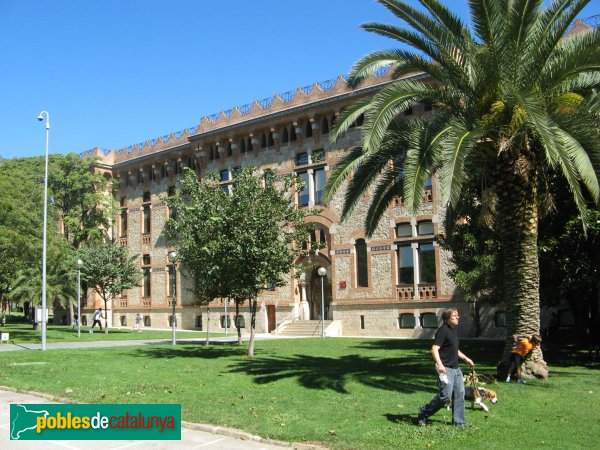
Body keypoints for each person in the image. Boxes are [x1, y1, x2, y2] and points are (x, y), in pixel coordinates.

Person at [417, 308, 474, 427]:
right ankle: (423, 413)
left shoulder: (453, 331)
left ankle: (459, 423)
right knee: (445, 396)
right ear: (447, 318)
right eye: (454, 316)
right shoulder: (443, 331)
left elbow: (454, 349)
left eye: (457, 315)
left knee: (459, 395)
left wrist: (466, 359)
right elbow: (434, 349)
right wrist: (441, 365)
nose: (457, 317)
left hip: (456, 369)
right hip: (445, 369)